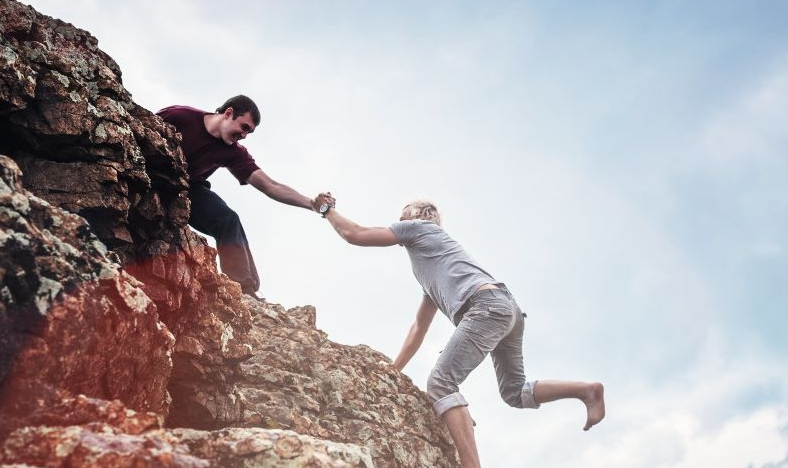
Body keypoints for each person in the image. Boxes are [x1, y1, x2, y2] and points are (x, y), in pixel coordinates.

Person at [320, 199, 605, 468]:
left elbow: (355, 234)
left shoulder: (419, 229)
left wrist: (327, 210)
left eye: (403, 213)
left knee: (441, 384)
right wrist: (393, 371)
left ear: (421, 215)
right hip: (507, 310)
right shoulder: (434, 264)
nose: (397, 220)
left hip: (485, 307)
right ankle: (586, 390)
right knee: (514, 393)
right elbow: (418, 329)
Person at [157, 95, 332, 297]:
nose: (244, 135)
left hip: (188, 189)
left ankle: (244, 290)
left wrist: (312, 204)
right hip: (156, 175)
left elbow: (271, 186)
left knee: (228, 219)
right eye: (244, 127)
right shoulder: (179, 116)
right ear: (229, 113)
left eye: (249, 132)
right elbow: (140, 128)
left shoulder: (232, 152)